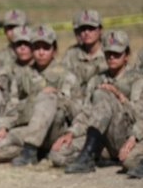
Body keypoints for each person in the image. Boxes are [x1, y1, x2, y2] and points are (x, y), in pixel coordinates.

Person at [0, 25, 80, 165]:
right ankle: (35, 151)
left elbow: (78, 111)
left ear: (54, 50)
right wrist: (3, 127)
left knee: (47, 97)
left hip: (54, 132)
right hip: (28, 130)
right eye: (37, 47)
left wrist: (58, 99)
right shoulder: (23, 75)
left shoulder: (66, 76)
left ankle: (32, 150)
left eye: (46, 47)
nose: (41, 52)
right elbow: (13, 104)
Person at [50, 30, 142, 173]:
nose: (112, 57)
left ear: (127, 55)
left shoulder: (137, 79)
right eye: (108, 53)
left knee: (130, 162)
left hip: (125, 134)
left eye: (117, 53)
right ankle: (94, 155)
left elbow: (139, 115)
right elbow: (87, 112)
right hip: (101, 138)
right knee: (57, 154)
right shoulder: (96, 79)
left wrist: (120, 97)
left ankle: (90, 156)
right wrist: (71, 133)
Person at [60, 9, 108, 101]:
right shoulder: (71, 54)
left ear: (100, 30)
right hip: (75, 100)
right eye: (83, 29)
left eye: (91, 28)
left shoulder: (109, 54)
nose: (86, 32)